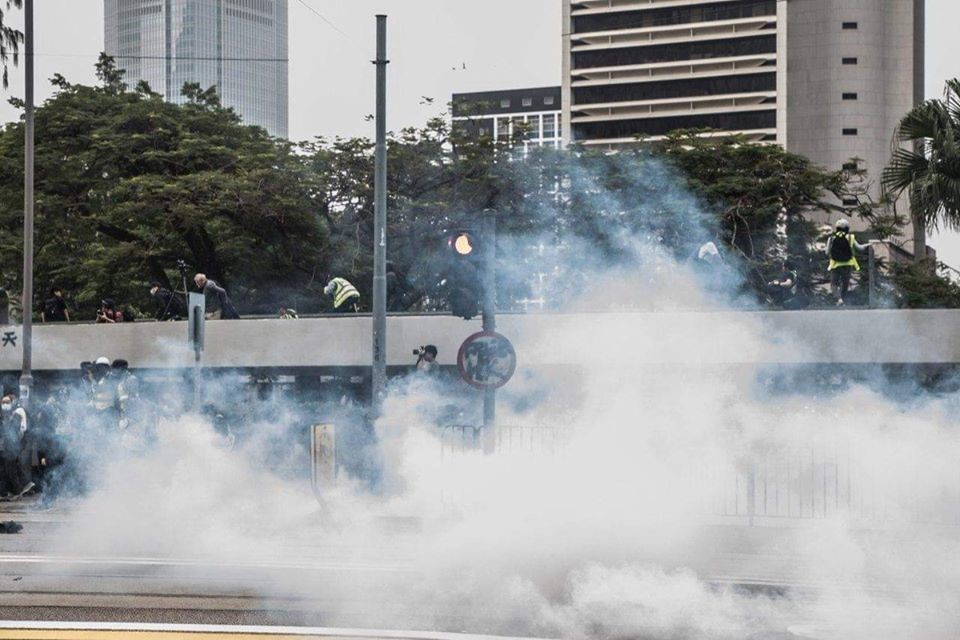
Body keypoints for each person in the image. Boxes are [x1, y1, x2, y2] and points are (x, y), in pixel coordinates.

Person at [826, 219, 871, 306]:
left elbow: (827, 252)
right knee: (845, 283)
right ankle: (842, 299)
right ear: (847, 228)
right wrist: (867, 245)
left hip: (835, 265)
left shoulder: (831, 238)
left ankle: (838, 299)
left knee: (834, 283)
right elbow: (860, 248)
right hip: (848, 264)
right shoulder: (851, 237)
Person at [0, 393, 31, 497]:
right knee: (5, 470)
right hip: (4, 448)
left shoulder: (15, 415)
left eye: (7, 402)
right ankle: (4, 492)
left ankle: (20, 489)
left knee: (10, 470)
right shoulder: (2, 416)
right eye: (3, 402)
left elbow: (19, 432)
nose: (5, 405)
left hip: (12, 448)